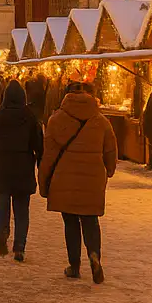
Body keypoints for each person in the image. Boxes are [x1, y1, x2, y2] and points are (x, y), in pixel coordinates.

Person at [38, 81, 117, 284]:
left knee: (70, 222)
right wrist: (109, 170)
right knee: (91, 221)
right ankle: (94, 255)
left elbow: (48, 156)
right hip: (93, 180)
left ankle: (74, 266)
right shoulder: (101, 121)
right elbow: (111, 151)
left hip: (64, 179)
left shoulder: (55, 120)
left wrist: (43, 182)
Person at [0, 80, 43, 262]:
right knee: (22, 209)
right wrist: (39, 163)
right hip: (23, 166)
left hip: (1, 165)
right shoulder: (30, 117)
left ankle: (2, 232)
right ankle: (20, 246)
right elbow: (38, 144)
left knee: (2, 204)